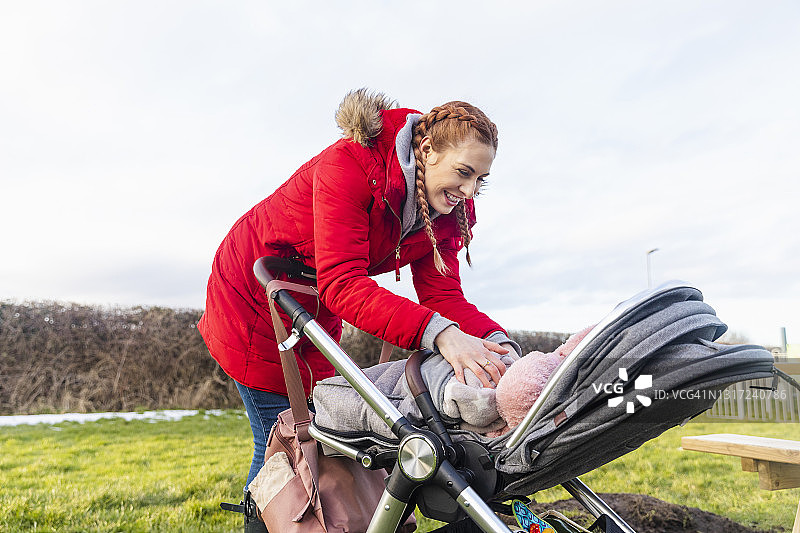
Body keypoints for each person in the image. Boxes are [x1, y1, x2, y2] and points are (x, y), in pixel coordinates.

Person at [198, 88, 522, 500]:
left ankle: (324, 516)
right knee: (284, 438)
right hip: (252, 295)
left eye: (481, 180)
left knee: (322, 426)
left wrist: (498, 344)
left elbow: (443, 296)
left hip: (309, 301)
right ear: (427, 150)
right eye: (464, 172)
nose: (470, 191)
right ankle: (265, 520)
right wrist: (442, 334)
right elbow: (343, 283)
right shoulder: (351, 166)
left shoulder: (447, 210)